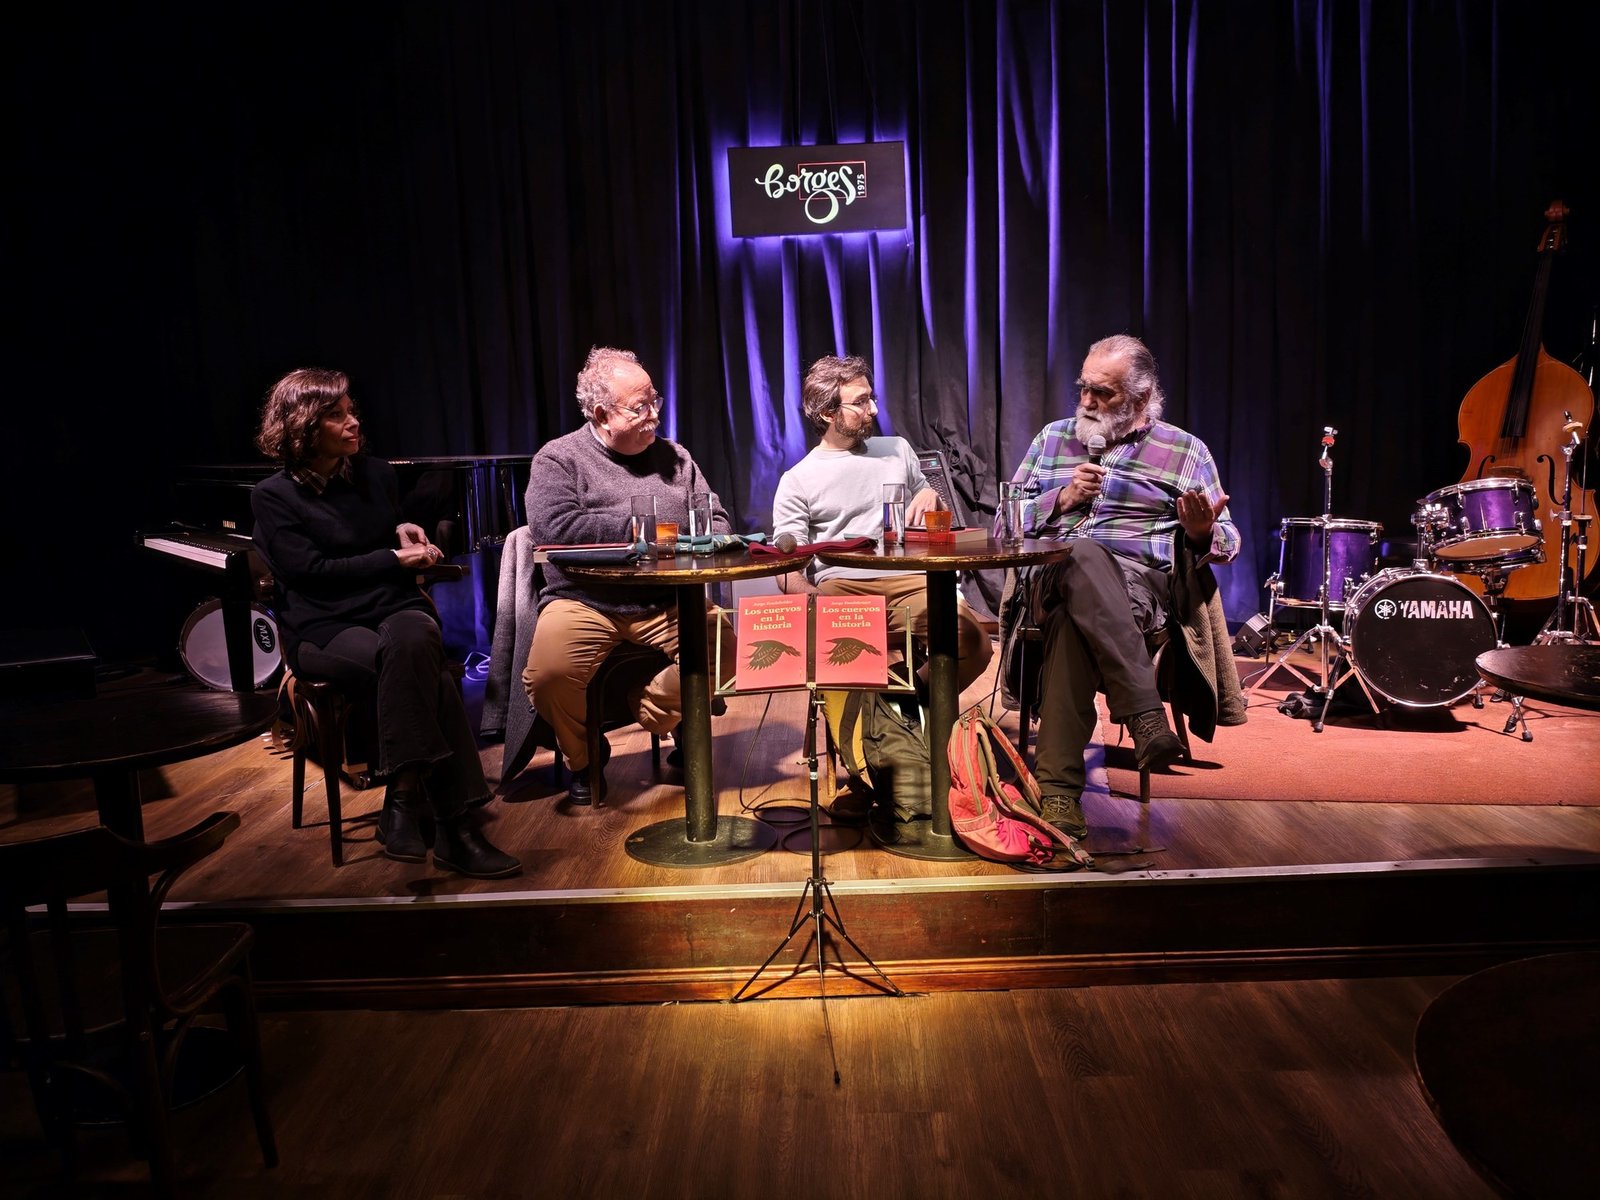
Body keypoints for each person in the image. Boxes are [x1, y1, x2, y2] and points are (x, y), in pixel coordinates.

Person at [251, 368, 520, 878]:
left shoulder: (374, 474)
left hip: (391, 608)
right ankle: (455, 828)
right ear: (303, 427)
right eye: (337, 415)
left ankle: (401, 796)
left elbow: (376, 533)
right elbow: (313, 574)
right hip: (324, 625)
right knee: (431, 671)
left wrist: (401, 531)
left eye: (351, 410)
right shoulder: (273, 496)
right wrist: (393, 559)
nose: (353, 422)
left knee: (416, 639)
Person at [1004, 334, 1245, 846]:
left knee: (1075, 622)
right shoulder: (1052, 439)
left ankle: (1060, 796)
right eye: (1084, 389)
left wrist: (1202, 532)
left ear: (1140, 397)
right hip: (1049, 578)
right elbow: (1006, 524)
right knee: (1081, 554)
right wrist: (1062, 497)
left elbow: (1228, 538)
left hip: (1140, 589)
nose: (1087, 403)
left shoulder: (1184, 450)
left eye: (1103, 393)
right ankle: (1143, 717)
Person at [521, 346, 733, 804]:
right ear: (601, 413)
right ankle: (584, 759)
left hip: (669, 600)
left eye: (654, 399)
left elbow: (714, 518)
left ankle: (649, 707)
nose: (654, 414)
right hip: (585, 599)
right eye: (640, 407)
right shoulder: (559, 459)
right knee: (548, 676)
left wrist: (706, 537)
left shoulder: (676, 457)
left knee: (733, 652)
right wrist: (645, 533)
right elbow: (556, 527)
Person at [771, 354, 993, 694]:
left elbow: (941, 518)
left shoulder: (897, 450)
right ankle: (871, 731)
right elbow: (785, 568)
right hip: (842, 586)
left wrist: (933, 500)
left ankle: (904, 710)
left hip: (911, 580)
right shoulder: (797, 479)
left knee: (974, 643)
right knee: (846, 666)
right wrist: (818, 603)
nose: (873, 409)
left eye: (871, 398)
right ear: (828, 413)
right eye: (860, 402)